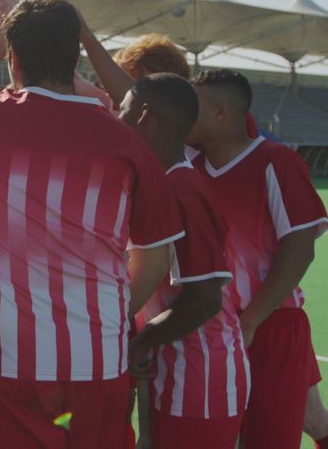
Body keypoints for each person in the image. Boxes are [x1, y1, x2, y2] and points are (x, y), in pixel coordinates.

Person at [0, 0, 184, 448]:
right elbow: (154, 261)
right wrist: (109, 316)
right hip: (94, 357)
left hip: (4, 355)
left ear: (13, 59)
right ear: (75, 55)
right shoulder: (129, 142)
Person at [186, 69, 328, 449]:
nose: (183, 113)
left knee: (270, 438)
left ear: (221, 112)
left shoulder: (274, 161)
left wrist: (251, 320)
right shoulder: (190, 170)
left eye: (193, 105)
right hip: (211, 330)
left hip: (271, 327)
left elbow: (301, 247)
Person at [119, 74, 249, 448]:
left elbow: (206, 298)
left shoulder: (182, 190)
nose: (117, 118)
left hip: (201, 380)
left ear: (143, 116)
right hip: (175, 370)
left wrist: (141, 341)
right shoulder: (166, 183)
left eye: (123, 110)